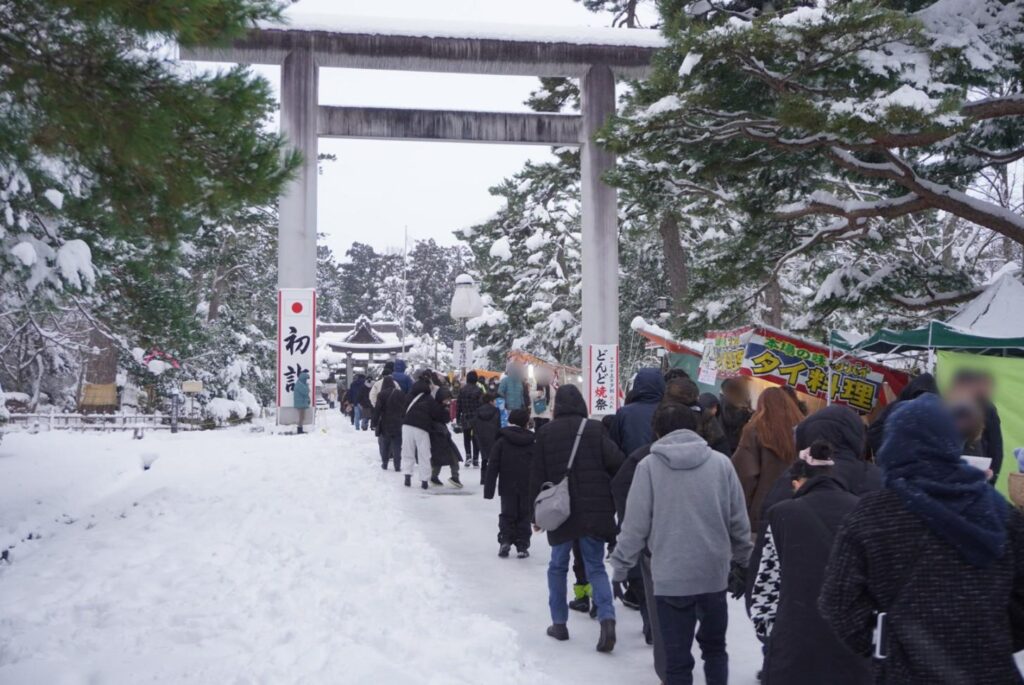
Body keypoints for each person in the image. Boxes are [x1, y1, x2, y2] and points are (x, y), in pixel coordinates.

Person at [819, 393, 1024, 684]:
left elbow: (839, 602)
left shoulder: (871, 514)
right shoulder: (998, 511)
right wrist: (991, 638)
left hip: (905, 672)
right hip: (991, 672)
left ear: (894, 443)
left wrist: (886, 643)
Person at [610, 403, 752, 685]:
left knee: (676, 661)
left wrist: (621, 567)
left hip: (669, 577)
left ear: (657, 431)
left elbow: (635, 526)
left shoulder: (648, 467)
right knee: (714, 650)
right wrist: (745, 563)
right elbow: (739, 522)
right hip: (713, 574)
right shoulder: (721, 464)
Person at [748, 441, 870, 685]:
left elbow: (764, 587)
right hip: (851, 649)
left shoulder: (782, 514)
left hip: (796, 645)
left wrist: (773, 636)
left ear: (797, 482)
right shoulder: (863, 510)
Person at [529, 384, 625, 652]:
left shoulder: (546, 433)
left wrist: (533, 514)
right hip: (595, 511)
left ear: (557, 405)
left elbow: (536, 476)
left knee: (557, 566)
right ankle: (607, 620)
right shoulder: (595, 429)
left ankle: (559, 624)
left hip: (560, 512)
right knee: (595, 566)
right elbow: (618, 462)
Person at [758, 404, 882, 522]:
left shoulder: (792, 476)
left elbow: (769, 528)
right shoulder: (877, 478)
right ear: (858, 437)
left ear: (806, 433)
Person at [731, 387, 804, 536]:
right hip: (795, 506)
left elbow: (746, 475)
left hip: (761, 508)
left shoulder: (754, 429)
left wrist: (738, 508)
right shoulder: (804, 429)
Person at [483, 408, 535, 558]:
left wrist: (489, 489)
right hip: (527, 485)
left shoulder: (502, 441)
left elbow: (493, 466)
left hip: (507, 485)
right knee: (524, 515)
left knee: (507, 513)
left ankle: (505, 540)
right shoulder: (532, 441)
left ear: (510, 421)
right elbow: (538, 465)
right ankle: (522, 545)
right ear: (526, 423)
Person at [865, 372, 937, 457]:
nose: (921, 400)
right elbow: (874, 433)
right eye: (919, 395)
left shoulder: (938, 414)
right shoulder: (897, 408)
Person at [950, 368, 1004, 481]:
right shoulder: (947, 407)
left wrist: (993, 474)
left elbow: (995, 443)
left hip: (978, 467)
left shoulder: (986, 407)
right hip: (953, 472)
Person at [401, 372, 449, 490]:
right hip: (421, 428)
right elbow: (437, 414)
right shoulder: (428, 399)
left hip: (406, 426)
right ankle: (424, 481)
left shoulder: (409, 396)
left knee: (407, 452)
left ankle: (407, 476)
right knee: (424, 454)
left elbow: (402, 410)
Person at [610, 368, 666, 457]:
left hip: (631, 465)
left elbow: (614, 446)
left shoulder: (624, 413)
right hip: (662, 466)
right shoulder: (668, 411)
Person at [429, 377, 462, 489]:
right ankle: (454, 477)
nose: (448, 401)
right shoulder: (439, 408)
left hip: (441, 435)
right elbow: (444, 419)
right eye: (446, 399)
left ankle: (435, 476)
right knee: (453, 457)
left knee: (441, 458)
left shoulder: (437, 406)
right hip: (440, 435)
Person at [373, 376, 405, 471]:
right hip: (398, 422)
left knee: (385, 444)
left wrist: (374, 422)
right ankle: (397, 465)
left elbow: (377, 410)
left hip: (385, 422)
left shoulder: (381, 394)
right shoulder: (401, 394)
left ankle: (385, 464)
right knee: (397, 445)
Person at [457, 370, 484, 467]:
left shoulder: (462, 390)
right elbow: (482, 405)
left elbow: (458, 405)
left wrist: (457, 417)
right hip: (476, 417)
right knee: (476, 437)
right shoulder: (479, 390)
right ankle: (476, 459)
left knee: (466, 437)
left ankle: (468, 456)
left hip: (465, 416)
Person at [473, 393, 502, 484]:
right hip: (493, 436)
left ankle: (483, 478)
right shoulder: (496, 411)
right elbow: (498, 424)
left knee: (484, 458)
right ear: (491, 401)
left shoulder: (478, 410)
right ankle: (492, 478)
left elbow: (475, 424)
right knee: (495, 458)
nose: (495, 402)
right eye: (494, 401)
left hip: (481, 436)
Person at [720, 377, 753, 455]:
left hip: (732, 440)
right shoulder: (726, 401)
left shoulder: (731, 400)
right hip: (730, 440)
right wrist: (746, 413)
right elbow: (731, 420)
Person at [293, 369, 311, 434]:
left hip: (301, 403)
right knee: (301, 417)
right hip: (300, 403)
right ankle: (299, 430)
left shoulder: (300, 383)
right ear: (303, 378)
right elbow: (306, 392)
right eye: (306, 379)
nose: (306, 380)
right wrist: (307, 386)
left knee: (302, 417)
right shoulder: (299, 384)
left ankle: (300, 429)